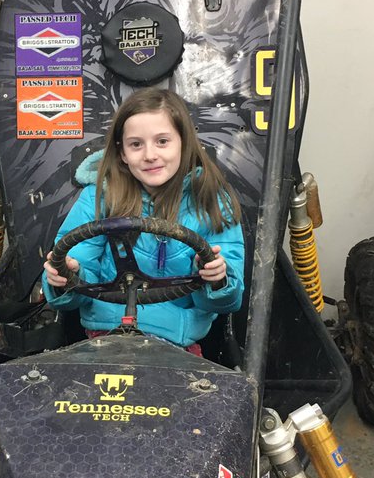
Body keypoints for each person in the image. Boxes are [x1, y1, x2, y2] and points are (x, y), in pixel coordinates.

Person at [42, 87, 245, 351]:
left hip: (177, 345)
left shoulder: (211, 201)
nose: (150, 155)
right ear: (123, 153)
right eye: (136, 144)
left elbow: (228, 300)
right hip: (104, 339)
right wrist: (66, 276)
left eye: (162, 141)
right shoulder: (99, 197)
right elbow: (76, 275)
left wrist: (216, 278)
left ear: (184, 143)